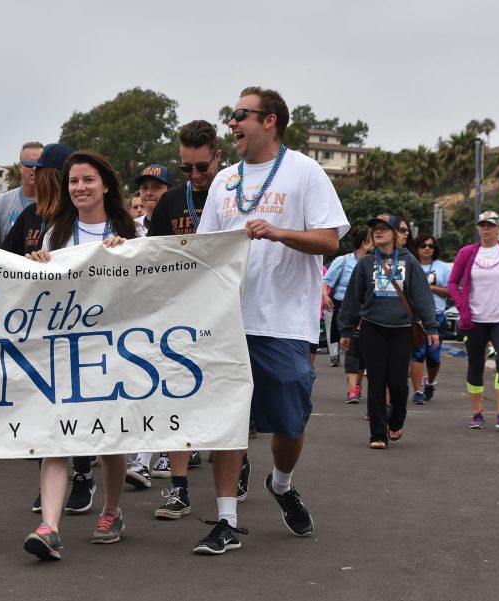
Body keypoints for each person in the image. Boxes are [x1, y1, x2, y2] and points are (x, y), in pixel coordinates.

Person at [196, 86, 350, 553]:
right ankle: (226, 520)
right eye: (230, 114)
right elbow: (202, 250)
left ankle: (281, 484)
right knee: (229, 420)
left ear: (270, 120)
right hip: (228, 319)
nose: (232, 123)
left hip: (283, 321)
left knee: (290, 421)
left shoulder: (306, 171)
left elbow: (330, 241)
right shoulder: (223, 180)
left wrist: (279, 232)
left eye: (240, 114)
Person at [21, 149, 138, 560]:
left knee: (110, 437)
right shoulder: (56, 233)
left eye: (88, 180)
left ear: (105, 184)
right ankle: (49, 526)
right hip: (66, 347)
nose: (80, 188)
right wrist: (37, 266)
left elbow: (146, 290)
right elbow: (44, 291)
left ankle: (111, 511)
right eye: (73, 181)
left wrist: (128, 255)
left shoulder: (131, 231)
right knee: (56, 431)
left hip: (112, 348)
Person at [137, 119, 242, 520]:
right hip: (180, 314)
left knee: (226, 399)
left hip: (226, 312)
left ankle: (236, 467)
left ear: (218, 156)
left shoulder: (234, 196)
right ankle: (178, 488)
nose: (196, 176)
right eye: (187, 169)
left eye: (203, 167)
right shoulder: (171, 201)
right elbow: (153, 255)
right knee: (178, 394)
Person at [0, 143, 97, 515]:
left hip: (84, 324)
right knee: (50, 403)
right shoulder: (29, 216)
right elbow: (3, 260)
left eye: (43, 169)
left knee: (82, 400)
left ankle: (84, 472)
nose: (35, 175)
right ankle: (54, 477)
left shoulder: (77, 219)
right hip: (41, 323)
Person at [339, 214, 439, 449]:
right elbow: (353, 297)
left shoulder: (409, 261)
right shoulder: (365, 262)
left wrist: (431, 326)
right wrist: (345, 329)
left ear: (395, 234)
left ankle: (396, 420)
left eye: (384, 228)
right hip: (372, 328)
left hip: (402, 330)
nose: (378, 232)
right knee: (376, 381)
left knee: (397, 382)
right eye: (375, 229)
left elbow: (422, 296)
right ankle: (377, 434)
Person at [447, 211, 499, 431]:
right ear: (478, 228)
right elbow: (453, 283)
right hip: (476, 319)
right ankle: (477, 413)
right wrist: (463, 306)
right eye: (482, 225)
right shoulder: (468, 253)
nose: (486, 229)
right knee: (476, 364)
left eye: (491, 225)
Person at [323, 230, 369, 401]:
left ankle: (357, 385)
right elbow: (326, 280)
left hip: (368, 310)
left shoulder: (375, 263)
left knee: (364, 350)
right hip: (345, 306)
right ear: (364, 243)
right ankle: (352, 389)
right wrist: (326, 295)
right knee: (351, 348)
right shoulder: (343, 260)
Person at [410, 233, 451, 404]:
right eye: (423, 245)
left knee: (433, 357)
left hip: (437, 316)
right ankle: (418, 391)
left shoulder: (442, 267)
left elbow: (451, 291)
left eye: (431, 246)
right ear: (417, 248)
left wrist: (431, 287)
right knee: (417, 354)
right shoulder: (412, 264)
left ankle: (430, 382)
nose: (427, 248)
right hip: (415, 317)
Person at [0, 142, 43, 245]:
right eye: (30, 164)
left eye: (39, 164)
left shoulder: (56, 204)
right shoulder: (1, 203)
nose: (34, 168)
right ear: (20, 167)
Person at [133, 164, 173, 231]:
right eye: (144, 187)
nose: (148, 193)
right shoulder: (131, 227)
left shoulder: (182, 225)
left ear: (170, 191)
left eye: (156, 187)